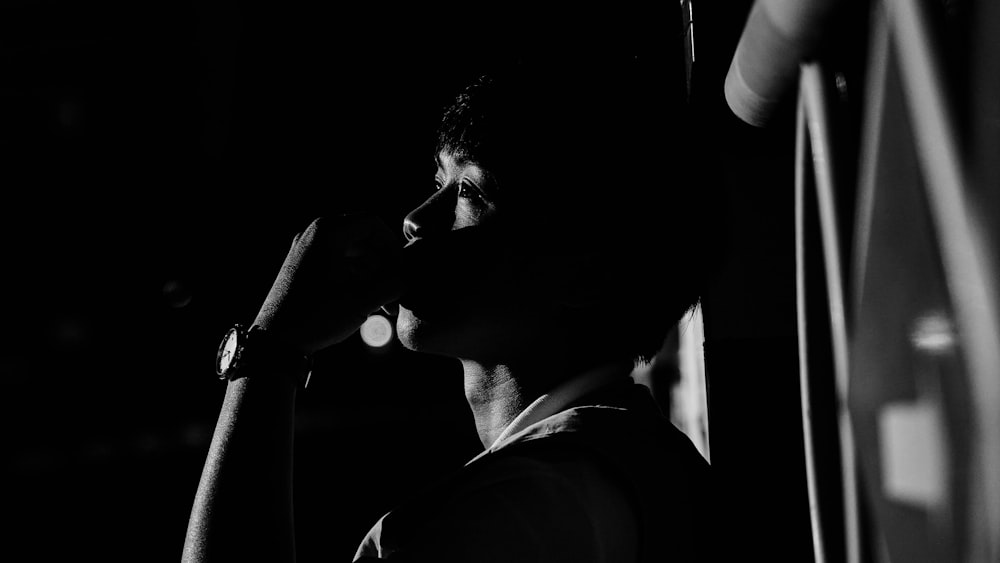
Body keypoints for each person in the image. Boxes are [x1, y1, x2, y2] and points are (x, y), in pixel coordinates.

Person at [182, 53, 718, 562]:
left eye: (470, 192)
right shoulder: (632, 462)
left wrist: (271, 354)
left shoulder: (527, 506)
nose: (415, 219)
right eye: (438, 181)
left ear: (584, 272)